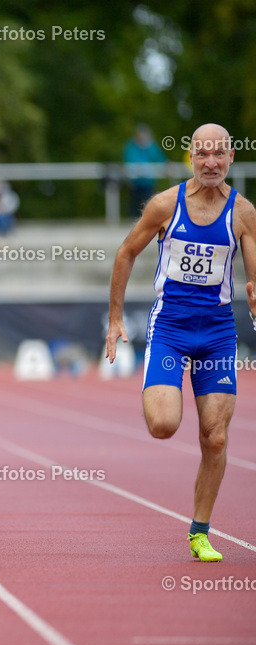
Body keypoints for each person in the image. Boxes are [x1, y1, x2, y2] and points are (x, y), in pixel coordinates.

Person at [106, 123, 256, 562]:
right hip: (170, 329)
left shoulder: (243, 212)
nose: (211, 163)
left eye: (219, 154)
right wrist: (115, 318)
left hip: (217, 334)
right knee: (163, 425)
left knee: (215, 438)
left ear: (231, 157)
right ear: (190, 156)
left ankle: (199, 531)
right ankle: (158, 388)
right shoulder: (165, 205)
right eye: (202, 154)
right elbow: (125, 252)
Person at [123, 123, 167, 217]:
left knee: (148, 205)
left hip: (148, 183)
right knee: (135, 206)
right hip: (135, 183)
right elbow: (130, 160)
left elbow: (160, 158)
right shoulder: (132, 146)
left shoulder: (151, 146)